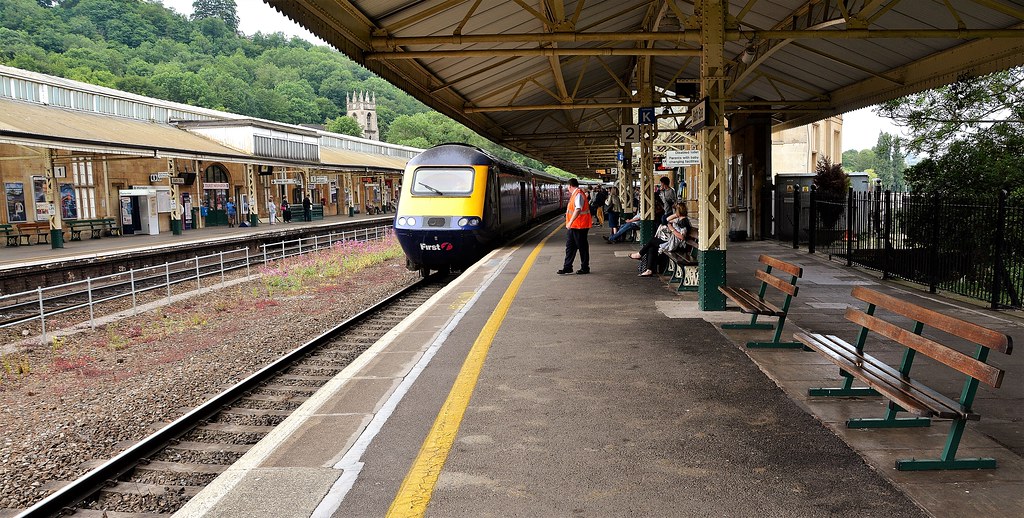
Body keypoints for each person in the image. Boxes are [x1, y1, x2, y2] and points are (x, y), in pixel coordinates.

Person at [631, 202, 691, 277]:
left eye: (676, 210)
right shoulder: (680, 219)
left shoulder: (684, 222)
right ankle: (649, 270)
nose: (675, 212)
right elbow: (666, 220)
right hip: (672, 240)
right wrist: (676, 215)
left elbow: (682, 237)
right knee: (652, 246)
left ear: (678, 211)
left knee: (653, 240)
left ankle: (640, 255)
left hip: (676, 244)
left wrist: (672, 229)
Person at [557, 178, 592, 275]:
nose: (567, 189)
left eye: (568, 187)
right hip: (574, 226)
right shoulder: (575, 194)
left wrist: (570, 222)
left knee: (582, 247)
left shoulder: (579, 194)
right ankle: (567, 267)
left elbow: (578, 209)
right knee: (570, 247)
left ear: (570, 186)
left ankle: (585, 268)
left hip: (580, 226)